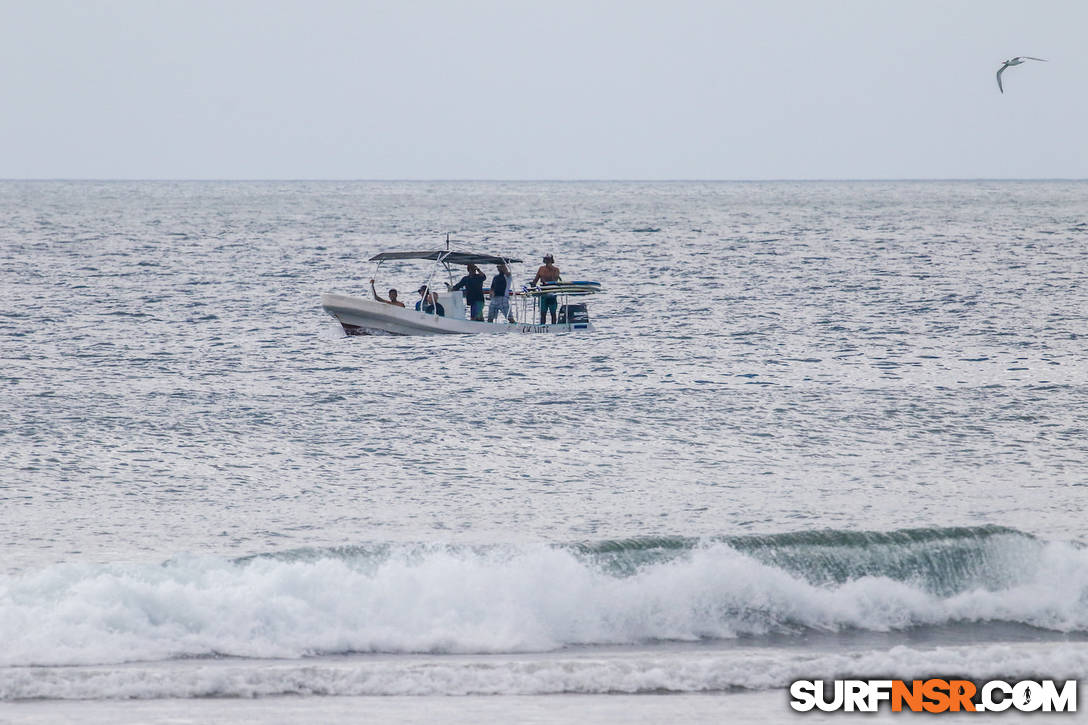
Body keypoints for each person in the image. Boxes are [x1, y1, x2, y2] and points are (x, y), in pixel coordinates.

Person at [530, 254, 561, 324]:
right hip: (543, 293)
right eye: (545, 259)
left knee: (553, 313)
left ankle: (554, 326)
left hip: (552, 292)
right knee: (543, 313)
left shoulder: (556, 269)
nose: (546, 261)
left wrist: (551, 269)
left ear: (551, 261)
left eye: (548, 260)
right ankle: (542, 326)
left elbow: (555, 280)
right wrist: (532, 286)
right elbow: (535, 280)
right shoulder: (541, 269)